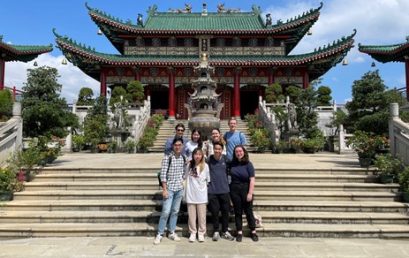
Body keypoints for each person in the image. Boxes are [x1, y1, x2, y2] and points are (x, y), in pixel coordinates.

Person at [154, 138, 186, 245]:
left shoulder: (183, 157)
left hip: (179, 189)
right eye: (176, 145)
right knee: (166, 211)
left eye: (180, 145)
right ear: (173, 146)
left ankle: (172, 232)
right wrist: (164, 189)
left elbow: (183, 172)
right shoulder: (167, 158)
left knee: (175, 211)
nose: (178, 147)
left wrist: (182, 182)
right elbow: (163, 175)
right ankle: (160, 233)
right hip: (169, 189)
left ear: (182, 146)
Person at [229, 145, 258, 242]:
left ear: (244, 152)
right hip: (234, 189)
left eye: (240, 151)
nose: (238, 153)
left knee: (249, 212)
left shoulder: (248, 164)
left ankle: (253, 231)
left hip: (246, 189)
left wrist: (250, 193)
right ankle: (239, 232)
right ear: (234, 153)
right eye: (236, 151)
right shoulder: (232, 164)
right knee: (238, 212)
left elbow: (252, 180)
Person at [207, 142, 235, 241]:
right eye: (216, 149)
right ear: (213, 149)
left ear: (222, 150)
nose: (217, 150)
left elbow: (233, 168)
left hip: (224, 190)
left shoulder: (226, 159)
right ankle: (216, 231)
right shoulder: (209, 159)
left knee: (225, 212)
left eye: (219, 149)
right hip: (213, 190)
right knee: (214, 212)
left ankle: (225, 231)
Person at [185, 148, 210, 243]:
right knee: (191, 216)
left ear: (202, 155)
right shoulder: (189, 165)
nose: (197, 156)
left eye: (199, 154)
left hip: (201, 195)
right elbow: (185, 177)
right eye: (196, 154)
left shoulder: (206, 166)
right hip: (191, 194)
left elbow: (208, 180)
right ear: (193, 155)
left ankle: (201, 233)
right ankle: (192, 232)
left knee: (202, 216)